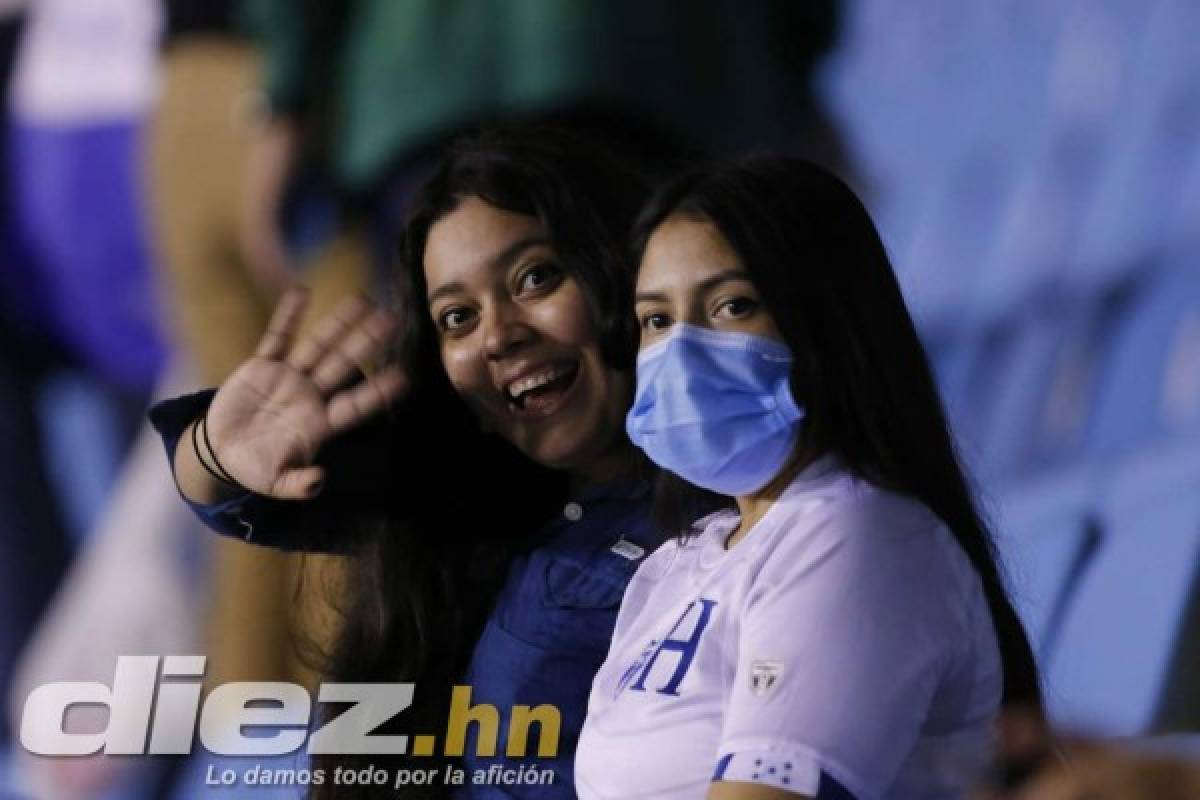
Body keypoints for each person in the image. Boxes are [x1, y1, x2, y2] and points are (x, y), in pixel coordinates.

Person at [149, 127, 671, 799]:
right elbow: (235, 495)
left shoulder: (747, 504)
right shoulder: (467, 494)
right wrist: (215, 450)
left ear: (625, 274)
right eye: (457, 317)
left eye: (536, 277)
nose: (499, 334)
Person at [574, 155, 1042, 800]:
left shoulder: (856, 533)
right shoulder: (678, 564)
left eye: (733, 306)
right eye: (657, 319)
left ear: (824, 324)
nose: (681, 352)